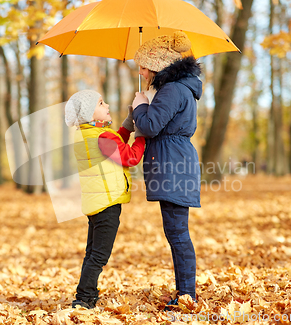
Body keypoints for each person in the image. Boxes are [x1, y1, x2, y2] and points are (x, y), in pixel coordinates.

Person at [131, 31, 202, 308]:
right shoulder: (174, 88)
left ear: (157, 65)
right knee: (175, 232)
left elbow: (149, 126)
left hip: (173, 165)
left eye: (143, 66)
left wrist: (140, 107)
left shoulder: (173, 90)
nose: (140, 71)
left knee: (178, 234)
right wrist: (147, 102)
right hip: (172, 163)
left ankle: (187, 296)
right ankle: (185, 293)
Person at [64, 90, 146, 309]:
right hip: (108, 204)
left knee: (91, 253)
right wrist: (141, 134)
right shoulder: (102, 137)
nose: (107, 104)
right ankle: (82, 299)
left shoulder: (86, 134)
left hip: (95, 203)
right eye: (101, 103)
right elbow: (130, 156)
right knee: (99, 255)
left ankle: (87, 294)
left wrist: (129, 123)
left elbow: (115, 143)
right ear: (91, 115)